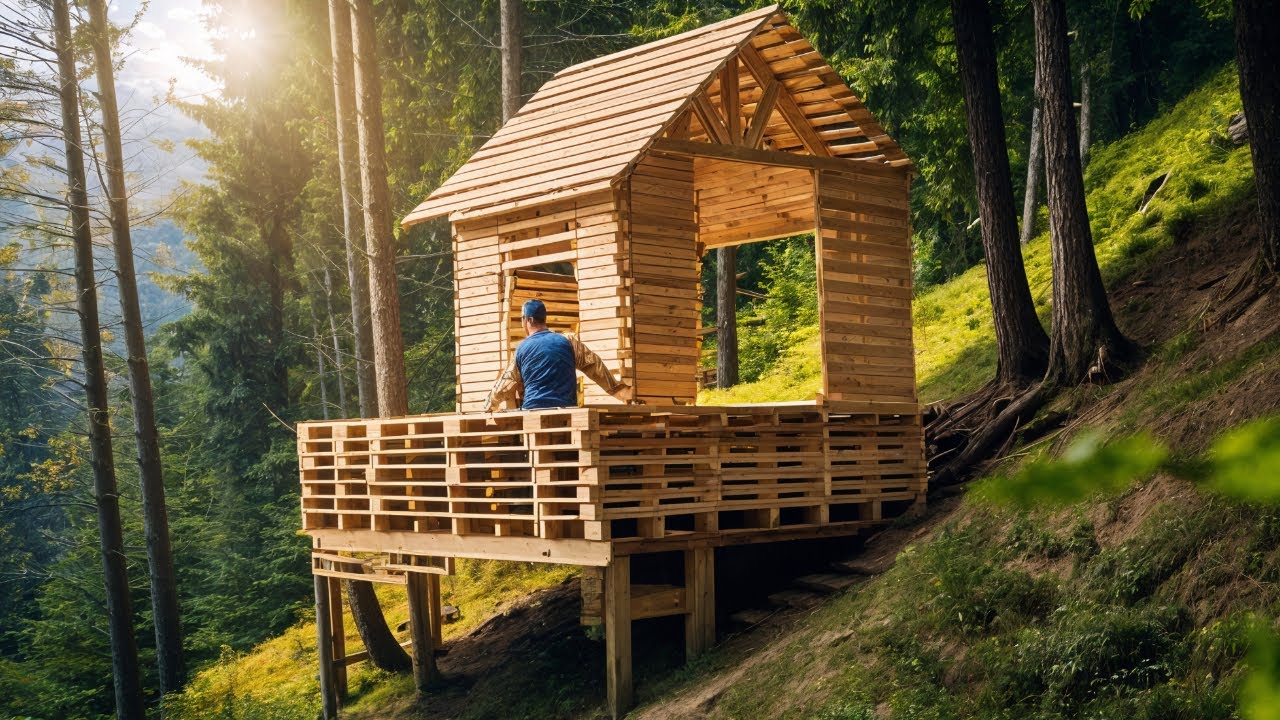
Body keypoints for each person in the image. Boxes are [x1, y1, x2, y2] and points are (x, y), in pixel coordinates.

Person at [483, 299, 634, 411]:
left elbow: (505, 382)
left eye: (522, 319)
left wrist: (490, 405)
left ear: (528, 320)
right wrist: (619, 392)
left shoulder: (521, 349)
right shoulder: (567, 341)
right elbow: (594, 365)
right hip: (566, 409)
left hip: (533, 410)